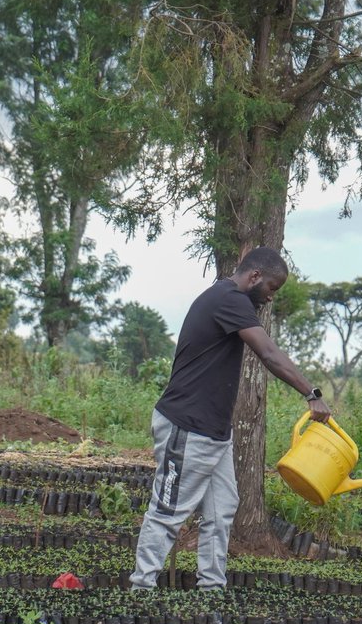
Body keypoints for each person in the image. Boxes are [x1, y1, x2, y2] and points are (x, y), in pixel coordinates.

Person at [130, 247, 331, 591]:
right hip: (187, 426)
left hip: (215, 433)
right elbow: (268, 353)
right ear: (253, 276)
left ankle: (211, 588)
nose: (269, 298)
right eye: (271, 288)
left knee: (222, 510)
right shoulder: (228, 299)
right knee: (168, 511)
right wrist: (311, 394)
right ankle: (141, 590)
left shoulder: (229, 301)